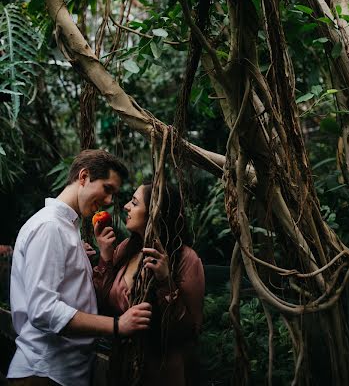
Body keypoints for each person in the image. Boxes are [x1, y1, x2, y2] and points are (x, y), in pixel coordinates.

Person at [7, 150, 152, 386]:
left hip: (60, 372)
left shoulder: (65, 229)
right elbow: (43, 310)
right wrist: (117, 325)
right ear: (83, 177)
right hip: (45, 372)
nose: (108, 201)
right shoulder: (50, 228)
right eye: (107, 189)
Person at [93, 182, 205, 386]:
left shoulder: (186, 259)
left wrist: (165, 281)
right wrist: (105, 258)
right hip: (122, 367)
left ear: (154, 213)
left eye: (134, 203)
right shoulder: (127, 248)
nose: (126, 206)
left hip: (163, 373)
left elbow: (189, 329)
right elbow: (101, 304)